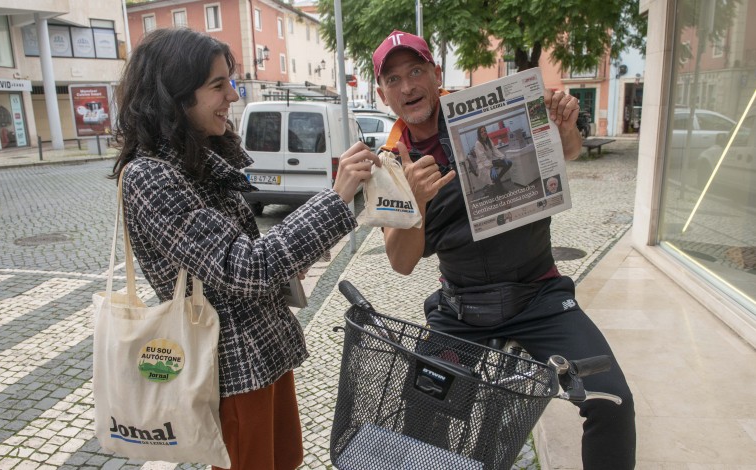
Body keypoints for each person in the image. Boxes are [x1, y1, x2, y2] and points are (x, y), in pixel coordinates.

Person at [110, 28, 380, 470]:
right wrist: (336, 199)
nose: (232, 96)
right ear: (175, 96)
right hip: (230, 370)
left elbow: (254, 256)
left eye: (229, 83)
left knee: (284, 461)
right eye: (217, 85)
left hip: (263, 357)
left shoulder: (202, 158)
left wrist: (301, 252)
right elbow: (243, 267)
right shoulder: (150, 177)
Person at [373, 30, 635, 469]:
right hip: (460, 308)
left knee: (612, 401)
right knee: (421, 411)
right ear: (382, 93)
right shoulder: (389, 165)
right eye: (394, 79)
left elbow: (566, 153)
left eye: (416, 71)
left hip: (541, 296)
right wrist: (416, 203)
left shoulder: (487, 106)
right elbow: (400, 263)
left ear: (436, 74)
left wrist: (566, 127)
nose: (408, 86)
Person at [472, 125, 512, 194]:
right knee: (495, 175)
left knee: (509, 163)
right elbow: (483, 158)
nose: (484, 132)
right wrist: (491, 168)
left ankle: (497, 179)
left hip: (490, 162)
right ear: (479, 134)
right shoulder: (478, 144)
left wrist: (503, 157)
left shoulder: (488, 140)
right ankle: (501, 191)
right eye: (482, 132)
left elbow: (494, 150)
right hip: (483, 166)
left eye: (485, 131)